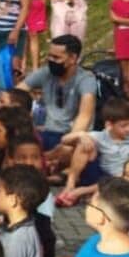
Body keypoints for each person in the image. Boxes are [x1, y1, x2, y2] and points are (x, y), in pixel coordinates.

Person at [17, 35, 98, 165]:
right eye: (49, 56)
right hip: (45, 132)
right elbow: (17, 93)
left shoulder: (86, 80)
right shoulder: (46, 72)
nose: (50, 60)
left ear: (73, 58)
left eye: (56, 57)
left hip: (71, 135)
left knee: (74, 153)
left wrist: (69, 141)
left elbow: (84, 116)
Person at [55, 97, 129, 208]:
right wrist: (81, 135)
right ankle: (70, 186)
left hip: (123, 179)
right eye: (123, 126)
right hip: (101, 176)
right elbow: (64, 140)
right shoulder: (101, 136)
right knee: (84, 144)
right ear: (109, 125)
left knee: (123, 179)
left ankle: (80, 192)